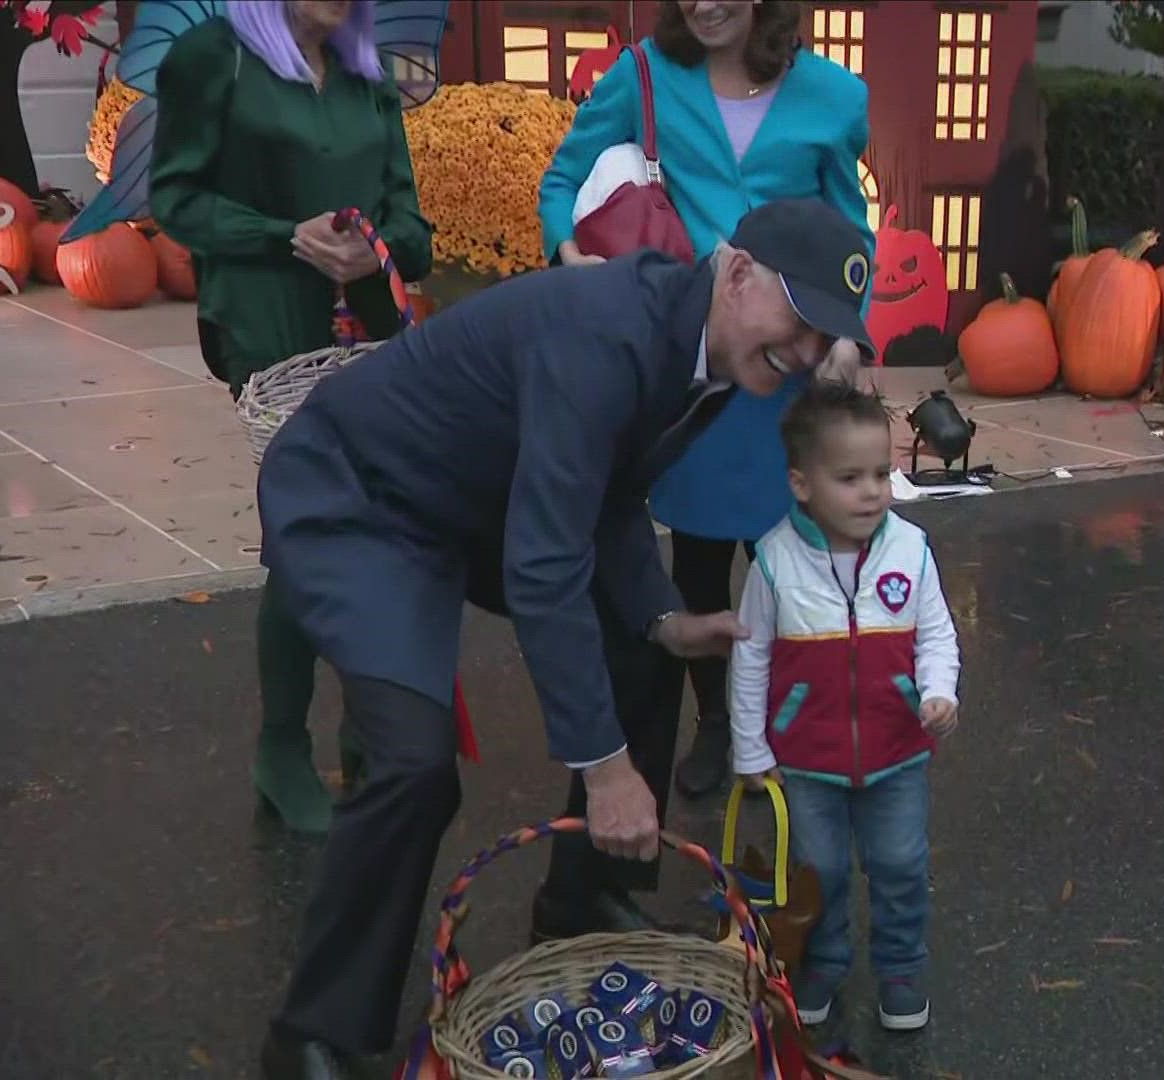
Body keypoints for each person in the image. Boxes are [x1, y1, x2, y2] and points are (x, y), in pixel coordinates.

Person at [255, 200, 875, 1078]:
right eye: (801, 321)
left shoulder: (707, 343)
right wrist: (606, 767)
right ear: (738, 275)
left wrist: (663, 617)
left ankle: (585, 904)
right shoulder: (608, 337)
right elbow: (546, 565)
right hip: (362, 497)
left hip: (476, 499)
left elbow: (611, 492)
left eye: (826, 336)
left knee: (648, 646)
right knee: (412, 760)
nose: (809, 355)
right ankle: (312, 1033)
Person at [538, 0, 875, 810]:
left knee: (795, 568)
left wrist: (848, 340)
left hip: (790, 374)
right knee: (695, 566)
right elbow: (561, 180)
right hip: (691, 369)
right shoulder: (646, 75)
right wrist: (568, 254)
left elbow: (850, 233)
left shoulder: (836, 97)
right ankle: (718, 723)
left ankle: (789, 728)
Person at [148, 0, 434, 834]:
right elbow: (178, 199)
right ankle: (281, 747)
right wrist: (287, 236)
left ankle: (368, 728)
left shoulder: (367, 77)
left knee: (382, 528)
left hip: (371, 329)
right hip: (270, 328)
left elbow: (410, 223)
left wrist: (375, 241)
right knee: (308, 532)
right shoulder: (213, 58)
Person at [729, 382, 962, 1033]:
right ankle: (824, 959)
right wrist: (751, 748)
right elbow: (750, 660)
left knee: (899, 862)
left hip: (896, 749)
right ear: (802, 484)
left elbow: (937, 633)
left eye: (882, 473)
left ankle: (900, 963)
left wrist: (938, 691)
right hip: (807, 759)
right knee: (819, 866)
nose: (871, 491)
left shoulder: (909, 552)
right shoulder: (774, 561)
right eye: (850, 477)